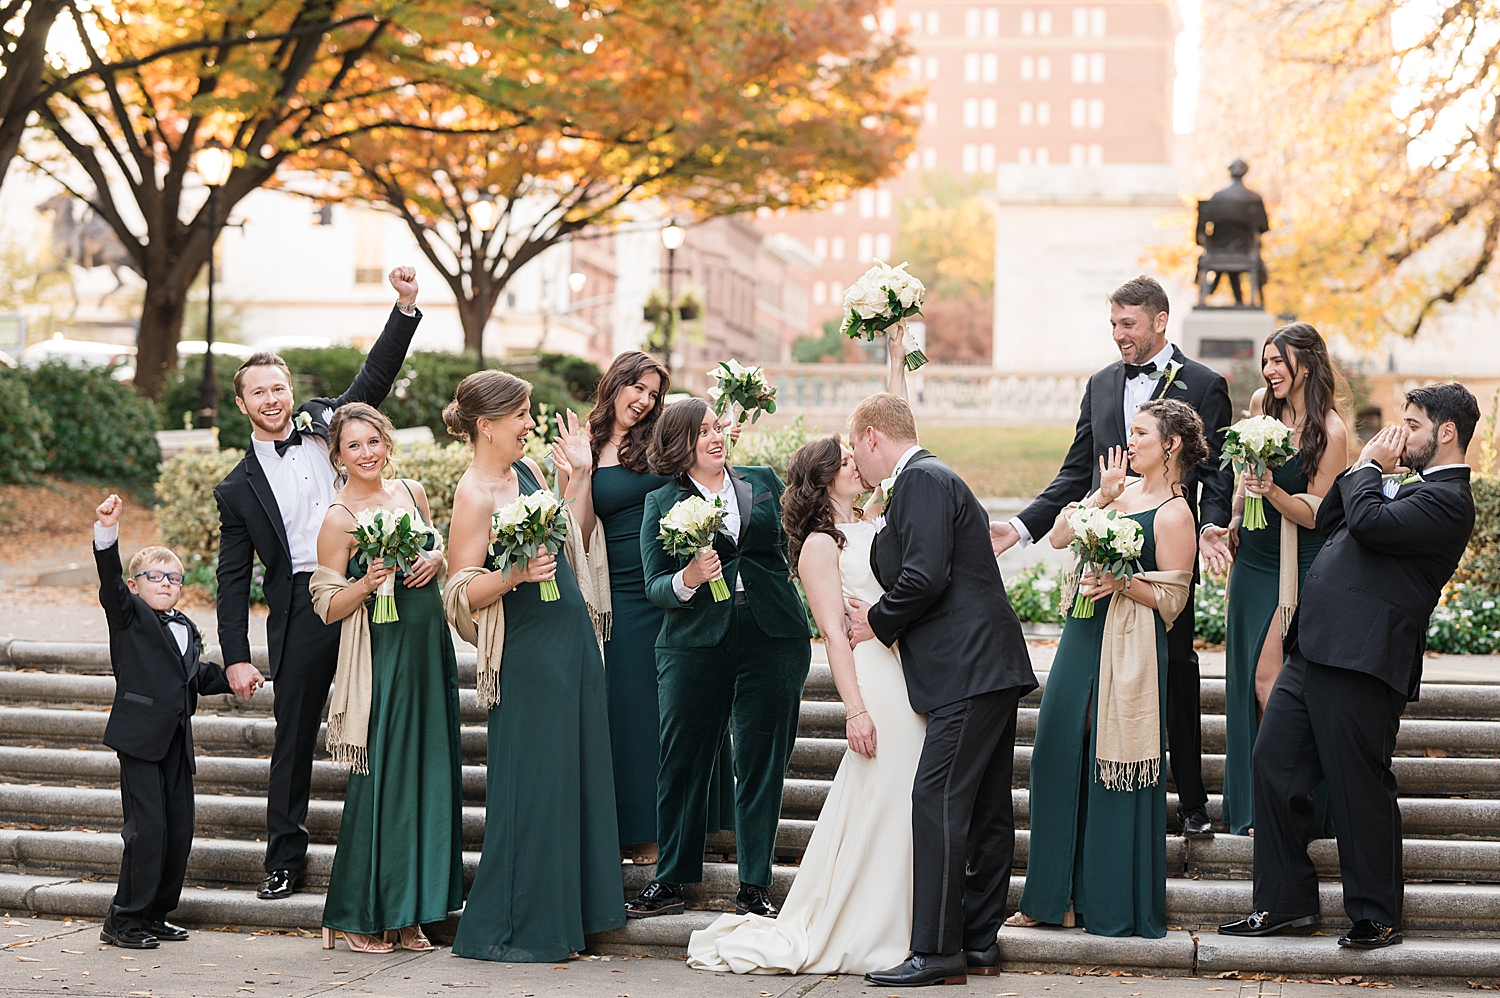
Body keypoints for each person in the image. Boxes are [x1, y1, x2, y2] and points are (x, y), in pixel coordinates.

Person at [687, 331, 922, 975]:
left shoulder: (875, 516)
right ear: (823, 480)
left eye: (854, 453)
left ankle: (900, 917)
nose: (856, 460)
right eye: (843, 458)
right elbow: (834, 635)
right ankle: (864, 922)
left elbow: (899, 442)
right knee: (882, 794)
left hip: (906, 674)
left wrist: (897, 361)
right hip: (871, 681)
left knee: (901, 799)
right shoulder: (821, 545)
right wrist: (854, 710)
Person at [1221, 383, 1478, 951]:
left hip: (1364, 659)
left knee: (1358, 784)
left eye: (1411, 423)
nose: (1399, 432)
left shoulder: (1449, 500)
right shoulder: (1393, 482)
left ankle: (1377, 914)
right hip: (1313, 647)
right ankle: (1284, 903)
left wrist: (1365, 466)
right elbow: (1334, 514)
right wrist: (1365, 471)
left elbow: (1368, 525)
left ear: (1446, 432)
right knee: (1273, 763)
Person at [990, 275, 1233, 840]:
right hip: (1104, 542)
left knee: (1174, 667)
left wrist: (1212, 526)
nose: (1120, 335)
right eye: (1114, 325)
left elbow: (1215, 468)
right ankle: (1102, 797)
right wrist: (1022, 528)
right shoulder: (1101, 385)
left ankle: (1191, 800)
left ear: (1159, 322)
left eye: (1129, 324)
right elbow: (1077, 471)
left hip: (1164, 541)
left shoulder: (1204, 382)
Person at [213, 267, 423, 901]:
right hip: (304, 606)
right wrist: (236, 657)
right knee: (294, 733)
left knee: (390, 712)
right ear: (243, 403)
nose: (273, 399)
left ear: (289, 390)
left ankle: (400, 845)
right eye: (260, 392)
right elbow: (231, 578)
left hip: (372, 583)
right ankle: (284, 857)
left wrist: (404, 308)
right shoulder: (235, 487)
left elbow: (374, 380)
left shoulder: (326, 424)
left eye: (279, 387)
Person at [846, 392, 1038, 987]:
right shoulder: (927, 480)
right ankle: (977, 942)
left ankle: (935, 950)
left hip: (968, 668)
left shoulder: (923, 479)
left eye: (856, 445)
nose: (855, 457)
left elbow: (924, 576)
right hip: (983, 667)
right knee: (983, 809)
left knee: (937, 800)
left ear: (874, 436)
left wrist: (874, 623)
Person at [442, 371, 624, 962]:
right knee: (534, 788)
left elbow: (569, 537)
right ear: (486, 425)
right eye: (520, 416)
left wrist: (580, 475)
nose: (529, 425)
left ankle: (568, 922)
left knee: (573, 779)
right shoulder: (472, 495)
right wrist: (514, 576)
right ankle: (520, 926)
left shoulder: (528, 473)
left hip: (571, 641)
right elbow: (460, 592)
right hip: (525, 654)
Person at [1009, 400, 1204, 938]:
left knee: (1109, 763)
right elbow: (1058, 537)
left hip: (1127, 645)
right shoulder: (1117, 493)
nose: (1130, 439)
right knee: (1055, 750)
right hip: (1081, 632)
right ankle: (1049, 897)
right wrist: (1101, 495)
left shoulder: (1175, 512)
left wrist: (1121, 582)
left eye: (1141, 433)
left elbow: (1172, 598)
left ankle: (1108, 901)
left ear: (1172, 444)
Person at [625, 399, 812, 921]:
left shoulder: (762, 480)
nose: (715, 438)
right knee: (682, 760)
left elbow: (796, 543)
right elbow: (654, 585)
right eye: (701, 432)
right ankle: (670, 882)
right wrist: (688, 579)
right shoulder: (661, 502)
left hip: (772, 636)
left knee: (761, 762)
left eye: (716, 428)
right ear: (679, 445)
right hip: (693, 643)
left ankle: (755, 886)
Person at [551, 350, 735, 867]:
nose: (645, 401)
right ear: (615, 384)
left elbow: (700, 483)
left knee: (675, 708)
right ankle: (637, 833)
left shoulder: (660, 439)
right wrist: (582, 474)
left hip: (675, 581)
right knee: (631, 710)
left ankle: (669, 839)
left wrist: (717, 445)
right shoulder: (579, 447)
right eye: (639, 388)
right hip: (623, 596)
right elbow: (578, 532)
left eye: (654, 393)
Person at [308, 403, 462, 954]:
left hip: (428, 648)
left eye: (373, 441)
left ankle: (411, 914)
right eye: (353, 445)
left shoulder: (413, 494)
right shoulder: (339, 517)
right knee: (385, 780)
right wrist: (369, 581)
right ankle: (354, 914)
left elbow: (438, 548)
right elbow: (325, 604)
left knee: (429, 776)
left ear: (386, 442)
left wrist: (438, 558)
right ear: (339, 455)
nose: (367, 453)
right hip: (382, 658)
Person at [91, 494, 261, 949]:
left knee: (177, 831)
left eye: (174, 578)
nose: (166, 583)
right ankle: (122, 919)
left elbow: (195, 676)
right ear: (134, 585)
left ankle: (155, 913)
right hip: (140, 739)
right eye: (155, 577)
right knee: (146, 832)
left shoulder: (185, 625)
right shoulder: (128, 617)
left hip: (176, 743)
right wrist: (107, 533)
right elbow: (108, 581)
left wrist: (232, 679)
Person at [1203, 323, 1348, 835]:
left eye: (1277, 361)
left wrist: (1274, 493)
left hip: (1296, 566)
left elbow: (1321, 513)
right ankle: (1255, 804)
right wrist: (1235, 519)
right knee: (1246, 684)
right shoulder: (1262, 403)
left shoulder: (1329, 431)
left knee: (1272, 684)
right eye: (1265, 361)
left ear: (1305, 365)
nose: (1268, 371)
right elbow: (1243, 481)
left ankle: (1286, 802)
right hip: (1252, 562)